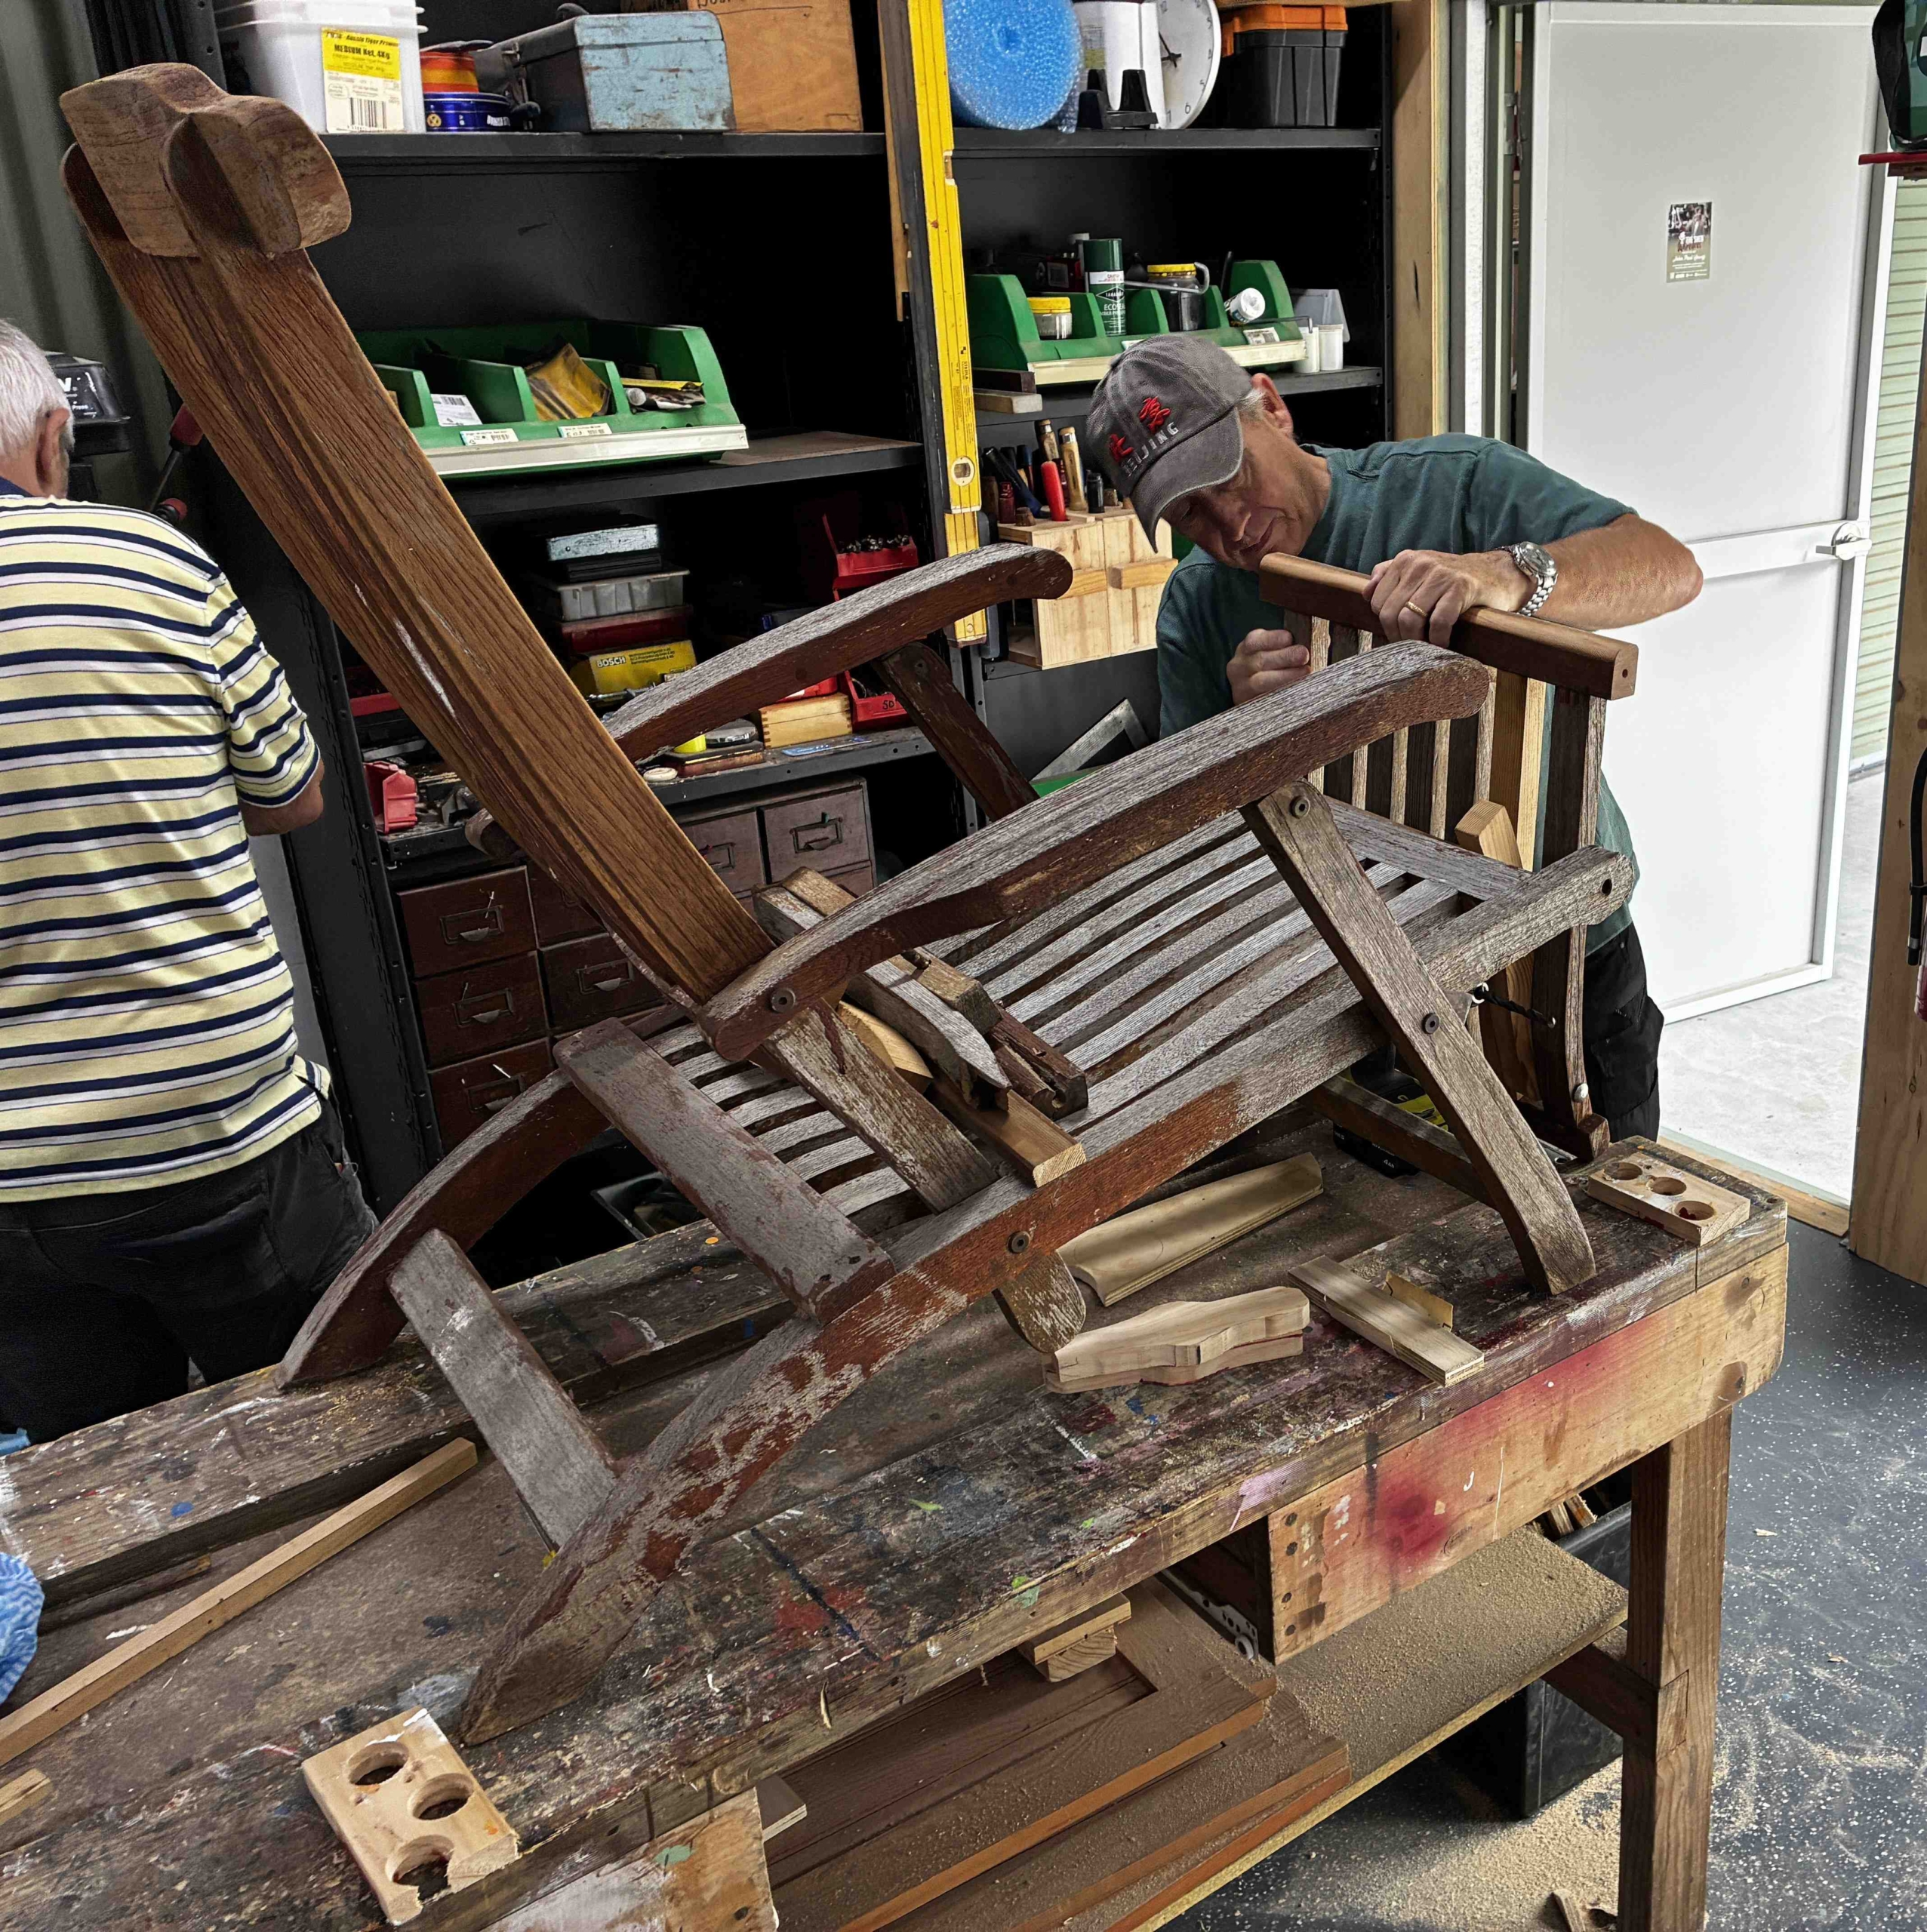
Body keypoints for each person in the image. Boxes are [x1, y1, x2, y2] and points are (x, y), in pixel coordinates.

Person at [1087, 334, 1704, 1139]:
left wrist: (1508, 574)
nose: (1229, 526)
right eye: (1188, 514)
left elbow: (1669, 567)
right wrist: (1248, 737)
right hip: (1364, 972)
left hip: (1564, 940)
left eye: (1229, 478)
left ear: (1271, 408)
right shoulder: (1200, 602)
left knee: (1612, 1188)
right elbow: (1193, 840)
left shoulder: (1454, 485)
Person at [0, 320, 376, 1441]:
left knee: (95, 1474)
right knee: (350, 1413)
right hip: (218, 1130)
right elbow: (294, 793)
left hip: (13, 1192)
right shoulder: (151, 560)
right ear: (54, 434)